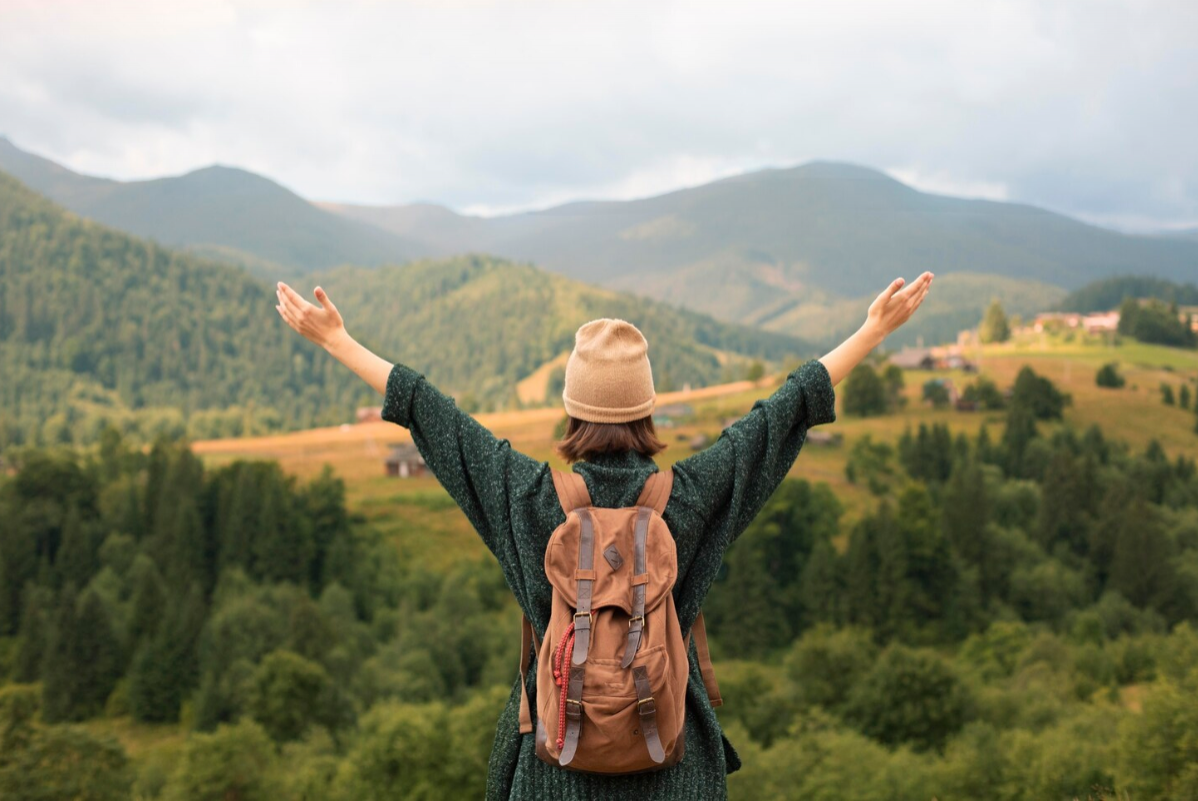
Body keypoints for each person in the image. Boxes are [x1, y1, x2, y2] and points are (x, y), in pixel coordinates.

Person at [274, 270, 934, 799]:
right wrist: (872, 331)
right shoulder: (695, 493)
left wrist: (336, 340)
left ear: (572, 409)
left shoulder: (526, 495)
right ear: (646, 407)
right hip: (675, 765)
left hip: (555, 765)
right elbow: (782, 413)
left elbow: (430, 413)